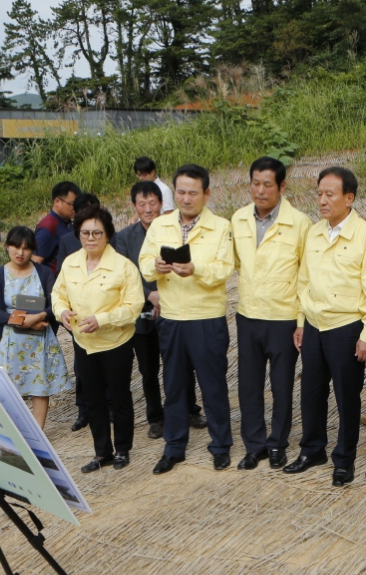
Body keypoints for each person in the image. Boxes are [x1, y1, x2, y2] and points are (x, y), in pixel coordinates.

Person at [283, 166, 366, 486]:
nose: (322, 200)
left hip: (346, 326)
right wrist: (301, 322)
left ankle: (344, 459)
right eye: (319, 193)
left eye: (330, 194)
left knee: (346, 396)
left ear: (349, 197)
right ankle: (312, 450)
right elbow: (303, 281)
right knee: (311, 393)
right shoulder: (314, 232)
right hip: (314, 325)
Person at [139, 164, 235, 474]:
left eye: (193, 192)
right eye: (180, 191)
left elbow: (224, 269)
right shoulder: (160, 225)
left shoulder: (220, 227)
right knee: (175, 386)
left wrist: (196, 270)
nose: (186, 197)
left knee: (213, 387)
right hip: (171, 318)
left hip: (206, 318)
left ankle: (220, 446)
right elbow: (143, 264)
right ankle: (174, 447)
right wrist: (156, 266)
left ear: (206, 193)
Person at [231, 157, 311, 471]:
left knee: (281, 386)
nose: (260, 190)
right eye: (255, 183)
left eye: (268, 184)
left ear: (282, 187)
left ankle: (278, 443)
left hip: (284, 318)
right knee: (248, 386)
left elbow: (305, 275)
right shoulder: (238, 219)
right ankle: (255, 446)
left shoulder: (300, 223)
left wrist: (301, 320)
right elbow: (236, 264)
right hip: (248, 315)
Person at [52, 204, 145, 472]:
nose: (91, 238)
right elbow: (58, 295)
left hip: (116, 342)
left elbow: (133, 306)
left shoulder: (123, 267)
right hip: (84, 343)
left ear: (107, 234)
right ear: (78, 234)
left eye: (97, 233)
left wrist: (102, 320)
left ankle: (122, 449)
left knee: (119, 397)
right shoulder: (71, 263)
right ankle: (101, 452)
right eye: (85, 233)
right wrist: (62, 312)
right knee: (92, 399)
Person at [0, 226, 71, 429]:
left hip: (40, 340)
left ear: (33, 249)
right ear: (7, 247)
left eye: (26, 248)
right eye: (15, 246)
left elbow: (55, 303)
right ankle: (15, 430)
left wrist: (40, 316)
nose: (20, 252)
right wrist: (24, 321)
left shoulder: (42, 273)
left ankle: (38, 432)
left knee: (40, 386)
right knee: (9, 388)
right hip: (12, 341)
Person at [112, 181, 167, 439]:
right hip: (141, 315)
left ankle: (187, 409)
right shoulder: (123, 238)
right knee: (149, 370)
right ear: (134, 206)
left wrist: (164, 298)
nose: (148, 209)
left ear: (161, 204)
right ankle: (156, 417)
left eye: (152, 203)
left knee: (179, 365)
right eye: (142, 204)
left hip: (172, 310)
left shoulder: (173, 232)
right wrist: (149, 296)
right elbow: (126, 277)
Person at [34, 181, 81, 272]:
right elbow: (35, 263)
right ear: (57, 202)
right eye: (72, 204)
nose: (75, 208)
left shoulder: (67, 222)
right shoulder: (48, 226)